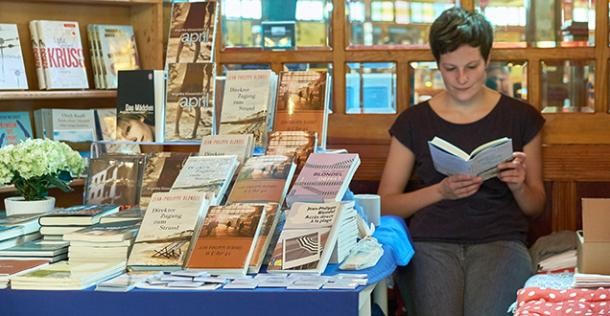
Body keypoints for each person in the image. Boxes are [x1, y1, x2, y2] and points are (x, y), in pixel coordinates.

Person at [377, 7, 546, 316]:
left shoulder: (521, 118)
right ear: (437, 63)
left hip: (501, 240)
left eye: (472, 66)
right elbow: (384, 204)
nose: (462, 78)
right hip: (431, 242)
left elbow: (536, 206)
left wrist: (520, 186)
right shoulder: (414, 121)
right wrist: (440, 192)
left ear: (488, 58)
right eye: (450, 68)